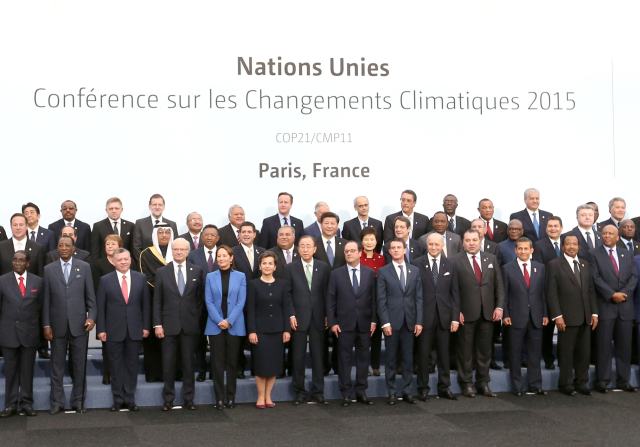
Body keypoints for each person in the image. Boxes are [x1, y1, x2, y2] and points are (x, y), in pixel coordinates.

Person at [42, 235, 96, 414]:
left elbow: (91, 298)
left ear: (74, 249)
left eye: (67, 245)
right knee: (56, 367)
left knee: (79, 365)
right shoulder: (49, 269)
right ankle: (57, 402)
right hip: (56, 326)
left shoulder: (84, 267)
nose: (64, 248)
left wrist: (91, 317)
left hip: (80, 326)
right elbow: (46, 301)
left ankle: (78, 401)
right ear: (57, 248)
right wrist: (46, 325)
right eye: (61, 245)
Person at [153, 238, 205, 410]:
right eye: (176, 249)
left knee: (189, 364)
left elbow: (200, 300)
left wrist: (195, 318)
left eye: (182, 249)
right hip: (168, 326)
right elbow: (157, 301)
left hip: (190, 326)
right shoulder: (161, 272)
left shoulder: (197, 271)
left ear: (188, 251)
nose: (179, 252)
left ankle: (189, 399)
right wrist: (157, 324)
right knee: (168, 365)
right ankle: (168, 399)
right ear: (172, 251)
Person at [96, 248, 150, 412]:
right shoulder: (105, 280)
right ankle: (118, 400)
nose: (123, 262)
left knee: (132, 366)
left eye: (126, 259)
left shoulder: (140, 278)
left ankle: (130, 399)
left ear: (130, 260)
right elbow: (101, 307)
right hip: (113, 330)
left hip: (135, 329)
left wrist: (146, 326)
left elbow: (146, 305)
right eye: (120, 259)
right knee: (116, 366)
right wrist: (101, 329)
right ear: (113, 261)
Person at [452, 229, 504, 398]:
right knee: (465, 351)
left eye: (474, 240)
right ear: (463, 242)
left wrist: (499, 307)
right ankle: (466, 383)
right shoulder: (454, 261)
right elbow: (452, 290)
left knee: (485, 351)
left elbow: (499, 285)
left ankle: (483, 382)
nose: (471, 243)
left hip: (488, 313)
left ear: (480, 240)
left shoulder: (491, 258)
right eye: (468, 240)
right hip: (465, 313)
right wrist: (456, 311)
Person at [546, 234, 598, 396]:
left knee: (584, 353)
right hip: (566, 317)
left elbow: (590, 291)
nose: (571, 247)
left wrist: (594, 313)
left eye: (574, 244)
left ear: (579, 247)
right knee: (566, 353)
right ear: (563, 247)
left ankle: (582, 382)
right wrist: (557, 315)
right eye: (568, 244)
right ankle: (566, 383)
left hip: (585, 317)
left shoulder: (585, 264)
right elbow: (551, 292)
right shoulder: (554, 264)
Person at [327, 241, 377, 406]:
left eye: (352, 251)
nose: (349, 253)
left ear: (359, 253)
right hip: (343, 324)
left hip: (365, 323)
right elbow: (331, 300)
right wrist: (333, 322)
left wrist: (374, 320)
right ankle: (346, 393)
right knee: (344, 359)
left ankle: (361, 391)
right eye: (346, 251)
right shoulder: (336, 274)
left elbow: (374, 299)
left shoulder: (370, 273)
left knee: (363, 358)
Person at [590, 225, 638, 392]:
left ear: (617, 237)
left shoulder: (627, 253)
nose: (607, 236)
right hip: (606, 306)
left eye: (610, 233)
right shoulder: (594, 254)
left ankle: (623, 380)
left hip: (625, 306)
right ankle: (602, 381)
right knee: (603, 346)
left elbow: (633, 277)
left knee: (624, 346)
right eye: (604, 233)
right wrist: (611, 294)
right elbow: (595, 278)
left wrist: (624, 293)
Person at [412, 233, 459, 401]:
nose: (433, 247)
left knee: (444, 355)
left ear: (442, 246)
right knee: (423, 355)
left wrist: (455, 318)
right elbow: (414, 293)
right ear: (427, 245)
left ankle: (444, 387)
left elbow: (455, 293)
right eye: (430, 244)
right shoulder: (417, 263)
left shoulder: (450, 264)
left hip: (445, 317)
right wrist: (417, 319)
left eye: (436, 244)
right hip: (424, 318)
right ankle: (423, 388)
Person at [377, 238, 423, 405]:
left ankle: (407, 391)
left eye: (399, 247)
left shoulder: (415, 270)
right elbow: (381, 300)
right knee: (390, 360)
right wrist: (385, 322)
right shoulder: (383, 272)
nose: (396, 250)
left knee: (408, 359)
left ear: (405, 250)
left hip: (409, 322)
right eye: (393, 248)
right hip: (391, 322)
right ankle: (391, 392)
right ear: (389, 251)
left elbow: (419, 298)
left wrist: (419, 321)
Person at [286, 235, 331, 405]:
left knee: (318, 356)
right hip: (298, 318)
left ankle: (318, 391)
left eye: (308, 246)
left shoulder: (324, 267)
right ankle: (299, 391)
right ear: (298, 249)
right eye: (302, 246)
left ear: (315, 249)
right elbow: (287, 293)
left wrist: (328, 315)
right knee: (297, 357)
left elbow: (328, 294)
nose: (305, 249)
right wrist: (291, 314)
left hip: (318, 317)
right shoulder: (290, 268)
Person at [502, 237, 548, 396]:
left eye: (526, 248)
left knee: (535, 353)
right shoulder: (507, 268)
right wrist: (505, 314)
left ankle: (535, 385)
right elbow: (504, 294)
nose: (523, 251)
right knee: (515, 353)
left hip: (536, 316)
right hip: (515, 317)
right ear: (515, 250)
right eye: (520, 249)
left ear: (531, 250)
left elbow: (543, 293)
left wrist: (545, 313)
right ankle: (517, 387)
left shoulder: (540, 268)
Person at [246, 251, 292, 409]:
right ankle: (260, 397)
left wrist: (287, 330)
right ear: (260, 266)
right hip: (260, 332)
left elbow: (286, 308)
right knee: (261, 366)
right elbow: (250, 310)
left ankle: (268, 396)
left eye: (270, 263)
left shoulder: (283, 284)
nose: (267, 266)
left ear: (275, 267)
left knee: (274, 366)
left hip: (278, 331)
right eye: (264, 263)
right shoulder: (253, 284)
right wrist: (252, 331)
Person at [0, 251, 42, 417]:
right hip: (8, 333)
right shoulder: (2, 281)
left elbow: (40, 307)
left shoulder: (38, 281)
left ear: (28, 263)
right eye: (15, 260)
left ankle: (27, 403)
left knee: (27, 371)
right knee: (10, 372)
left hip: (29, 334)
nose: (17, 262)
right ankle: (10, 405)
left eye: (21, 260)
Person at [205, 245, 246, 409]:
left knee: (232, 363)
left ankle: (231, 397)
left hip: (234, 325)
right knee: (217, 364)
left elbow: (241, 302)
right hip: (215, 325)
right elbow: (208, 301)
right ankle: (219, 398)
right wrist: (219, 320)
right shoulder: (210, 276)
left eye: (224, 255)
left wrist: (229, 320)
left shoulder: (241, 276)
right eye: (219, 256)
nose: (221, 258)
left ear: (231, 258)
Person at [139, 224, 174, 382]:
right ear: (155, 235)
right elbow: (146, 277)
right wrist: (166, 287)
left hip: (174, 302)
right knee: (154, 339)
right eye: (161, 232)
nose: (164, 235)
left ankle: (174, 374)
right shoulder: (146, 253)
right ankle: (154, 374)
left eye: (167, 232)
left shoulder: (177, 251)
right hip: (153, 299)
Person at [186, 224, 220, 381]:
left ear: (217, 238)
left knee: (216, 340)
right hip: (198, 304)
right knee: (199, 340)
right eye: (206, 234)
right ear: (201, 237)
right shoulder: (193, 255)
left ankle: (215, 370)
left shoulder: (224, 253)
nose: (209, 237)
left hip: (219, 305)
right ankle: (201, 370)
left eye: (213, 235)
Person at [92, 234, 124, 385]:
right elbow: (95, 287)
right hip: (105, 308)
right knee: (108, 343)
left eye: (113, 244)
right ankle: (108, 373)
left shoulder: (125, 262)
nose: (110, 246)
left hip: (124, 308)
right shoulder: (98, 264)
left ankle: (121, 374)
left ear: (120, 246)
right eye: (107, 244)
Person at [533, 216, 564, 370]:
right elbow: (539, 269)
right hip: (548, 290)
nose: (553, 229)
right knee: (548, 329)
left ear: (561, 228)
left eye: (556, 226)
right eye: (550, 226)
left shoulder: (567, 242)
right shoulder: (539, 245)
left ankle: (564, 358)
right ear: (546, 229)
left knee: (567, 328)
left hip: (567, 292)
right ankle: (548, 358)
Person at [359, 227, 385, 376]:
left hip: (378, 300)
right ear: (361, 241)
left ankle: (375, 366)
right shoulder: (357, 257)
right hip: (362, 301)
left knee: (377, 335)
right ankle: (364, 365)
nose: (369, 242)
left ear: (376, 242)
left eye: (372, 239)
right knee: (363, 337)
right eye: (366, 239)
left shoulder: (381, 259)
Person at [133, 193, 178, 260]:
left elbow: (176, 246)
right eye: (154, 204)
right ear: (149, 206)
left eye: (160, 205)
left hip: (167, 263)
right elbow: (136, 248)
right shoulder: (140, 223)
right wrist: (146, 262)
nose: (157, 207)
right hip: (146, 263)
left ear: (163, 207)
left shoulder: (172, 224)